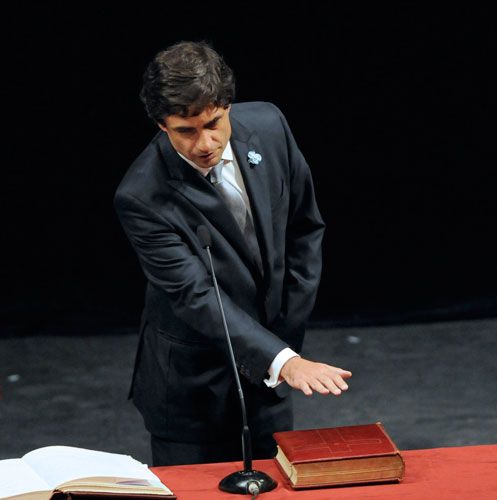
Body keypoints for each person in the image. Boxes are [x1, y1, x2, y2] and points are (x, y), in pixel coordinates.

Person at [114, 41, 351, 466]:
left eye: (214, 123)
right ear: (161, 125)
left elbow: (305, 229)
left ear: (228, 105)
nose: (205, 143)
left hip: (270, 375)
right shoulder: (142, 195)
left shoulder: (269, 125)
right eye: (186, 131)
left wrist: (283, 342)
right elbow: (195, 295)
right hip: (193, 391)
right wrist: (283, 360)